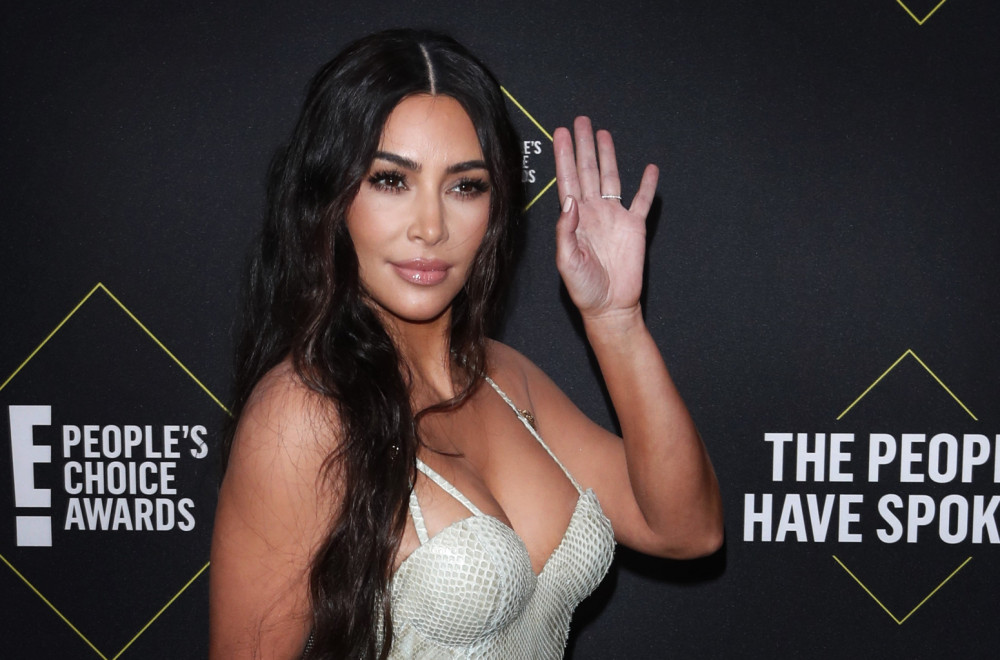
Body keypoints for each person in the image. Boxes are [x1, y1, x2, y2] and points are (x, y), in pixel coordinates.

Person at [209, 28, 723, 660]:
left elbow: (687, 529)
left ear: (494, 209)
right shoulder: (303, 415)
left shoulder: (506, 377)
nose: (431, 227)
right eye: (391, 180)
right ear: (331, 198)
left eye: (464, 186)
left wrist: (616, 321)